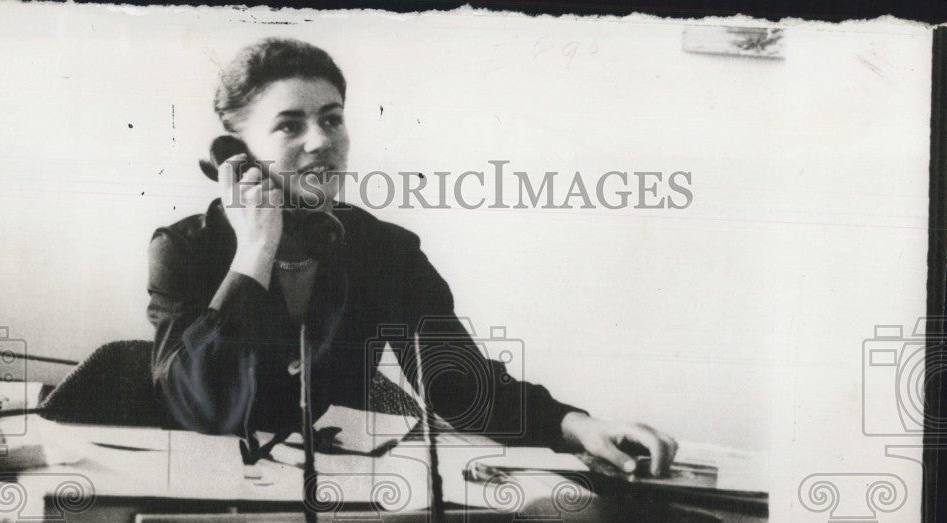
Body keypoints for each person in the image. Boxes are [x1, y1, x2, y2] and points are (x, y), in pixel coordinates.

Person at [146, 37, 678, 477]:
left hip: (337, 490)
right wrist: (254, 252)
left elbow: (457, 382)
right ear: (235, 157)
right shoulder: (185, 249)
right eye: (289, 126)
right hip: (200, 489)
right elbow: (205, 407)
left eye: (332, 120)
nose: (320, 141)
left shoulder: (384, 250)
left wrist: (575, 425)